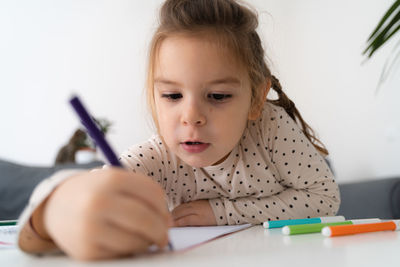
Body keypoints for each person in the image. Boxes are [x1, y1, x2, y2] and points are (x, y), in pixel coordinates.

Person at [17, 0, 340, 261]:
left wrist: (220, 213)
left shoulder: (271, 128)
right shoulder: (157, 156)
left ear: (256, 98)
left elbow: (325, 198)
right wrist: (55, 212)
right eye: (172, 95)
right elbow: (93, 190)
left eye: (218, 96)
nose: (191, 117)